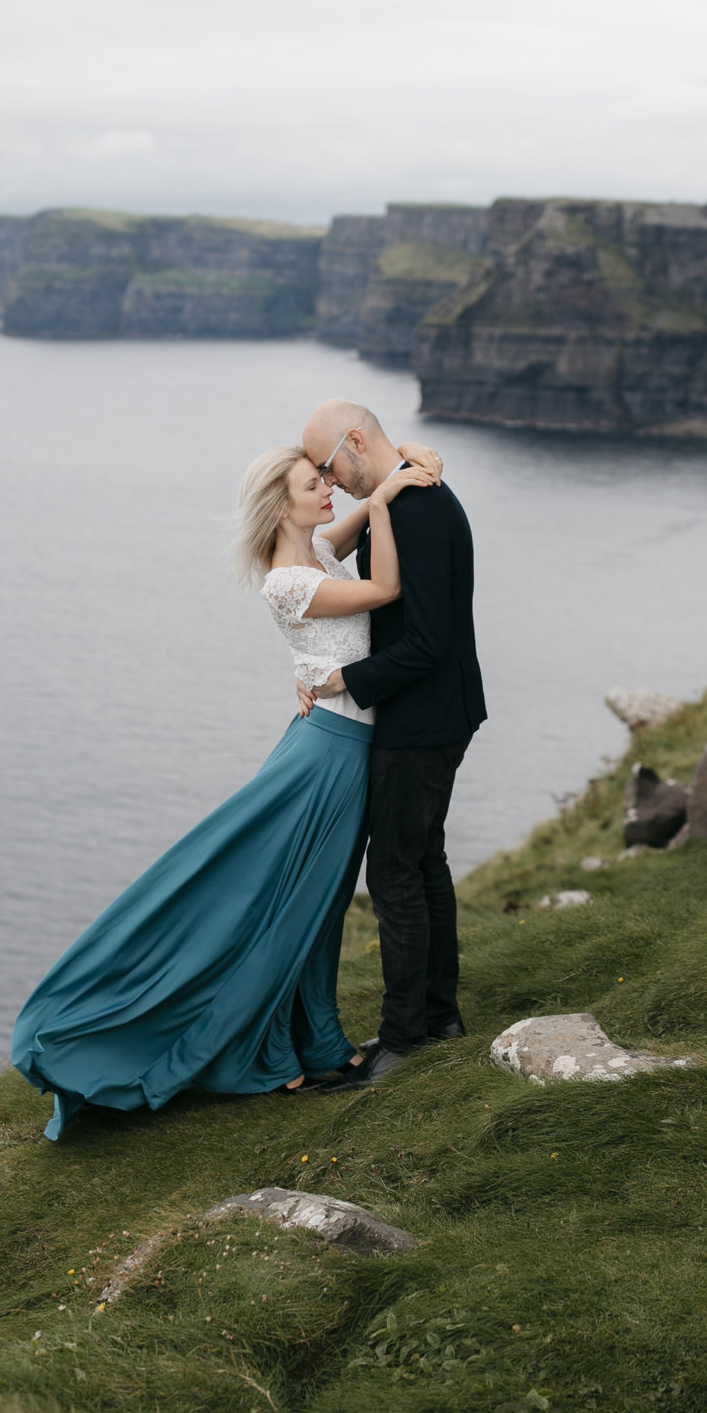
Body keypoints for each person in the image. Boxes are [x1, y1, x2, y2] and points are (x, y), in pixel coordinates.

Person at [8, 438, 442, 1140]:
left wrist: (392, 475)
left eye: (326, 479)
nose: (328, 489)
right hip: (328, 757)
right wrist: (386, 500)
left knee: (318, 905)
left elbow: (345, 533)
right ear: (282, 505)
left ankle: (313, 1047)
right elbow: (386, 590)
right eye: (313, 485)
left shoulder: (314, 551)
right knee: (297, 904)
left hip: (332, 747)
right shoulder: (288, 579)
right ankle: (275, 1059)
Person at [295, 400, 486, 1090]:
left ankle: (406, 1039)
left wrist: (343, 677)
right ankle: (438, 1018)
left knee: (396, 874)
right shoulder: (400, 495)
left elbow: (428, 642)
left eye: (327, 466)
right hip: (433, 713)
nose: (328, 479)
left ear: (353, 440)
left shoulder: (421, 506)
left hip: (425, 718)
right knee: (422, 862)